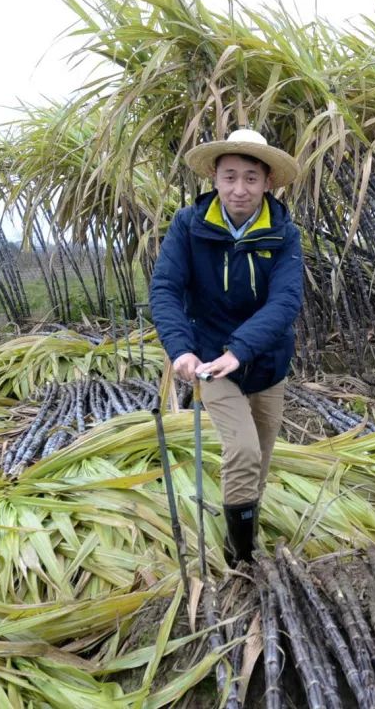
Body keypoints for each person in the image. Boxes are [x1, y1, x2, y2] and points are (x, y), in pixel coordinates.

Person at [150, 129, 303, 567]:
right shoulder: (189, 226)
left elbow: (285, 302)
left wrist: (242, 349)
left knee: (260, 461)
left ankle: (243, 533)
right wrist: (181, 350)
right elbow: (165, 288)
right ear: (215, 178)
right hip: (211, 363)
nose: (240, 189)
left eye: (251, 178)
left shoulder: (283, 233)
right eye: (230, 176)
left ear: (267, 182)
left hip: (268, 362)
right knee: (242, 450)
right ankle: (241, 561)